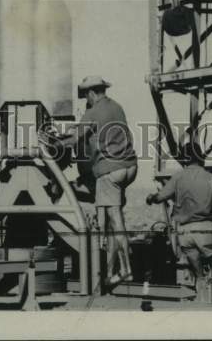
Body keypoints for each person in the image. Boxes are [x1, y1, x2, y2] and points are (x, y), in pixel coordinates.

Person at [57, 76, 138, 290]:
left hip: (110, 171)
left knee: (115, 221)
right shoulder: (117, 107)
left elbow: (75, 140)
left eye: (86, 95)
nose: (86, 99)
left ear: (91, 93)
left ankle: (126, 268)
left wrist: (56, 143)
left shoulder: (91, 113)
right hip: (130, 167)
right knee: (113, 223)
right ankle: (111, 273)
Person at [146, 142, 212, 304]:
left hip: (184, 232)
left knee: (197, 271)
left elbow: (160, 197)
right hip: (205, 230)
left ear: (185, 159)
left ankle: (201, 297)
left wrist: (151, 197)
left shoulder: (178, 177)